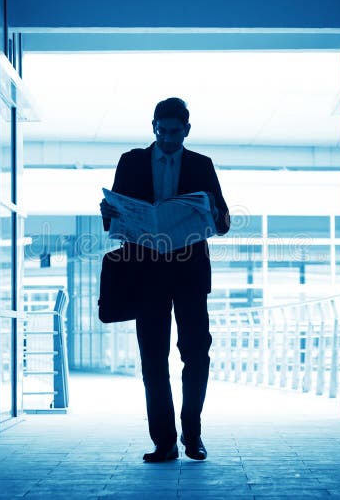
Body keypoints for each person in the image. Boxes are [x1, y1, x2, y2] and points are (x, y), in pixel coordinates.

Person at [100, 98, 230, 462]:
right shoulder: (132, 162)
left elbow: (222, 221)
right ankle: (164, 442)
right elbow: (116, 218)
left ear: (186, 130)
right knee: (153, 359)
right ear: (153, 126)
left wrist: (213, 211)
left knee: (196, 354)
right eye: (162, 131)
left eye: (175, 132)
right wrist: (108, 213)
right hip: (146, 272)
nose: (168, 138)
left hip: (189, 272)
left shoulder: (201, 165)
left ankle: (193, 434)